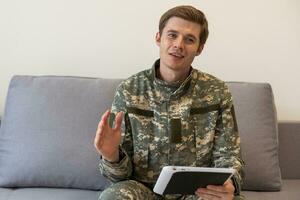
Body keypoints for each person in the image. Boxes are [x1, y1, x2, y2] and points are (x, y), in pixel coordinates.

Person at [94, 5, 244, 200]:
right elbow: (118, 178)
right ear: (159, 38)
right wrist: (111, 155)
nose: (179, 45)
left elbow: (229, 155)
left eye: (189, 39)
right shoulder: (129, 90)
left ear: (199, 48)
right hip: (144, 192)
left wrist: (229, 185)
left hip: (198, 194)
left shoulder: (217, 91)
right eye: (172, 35)